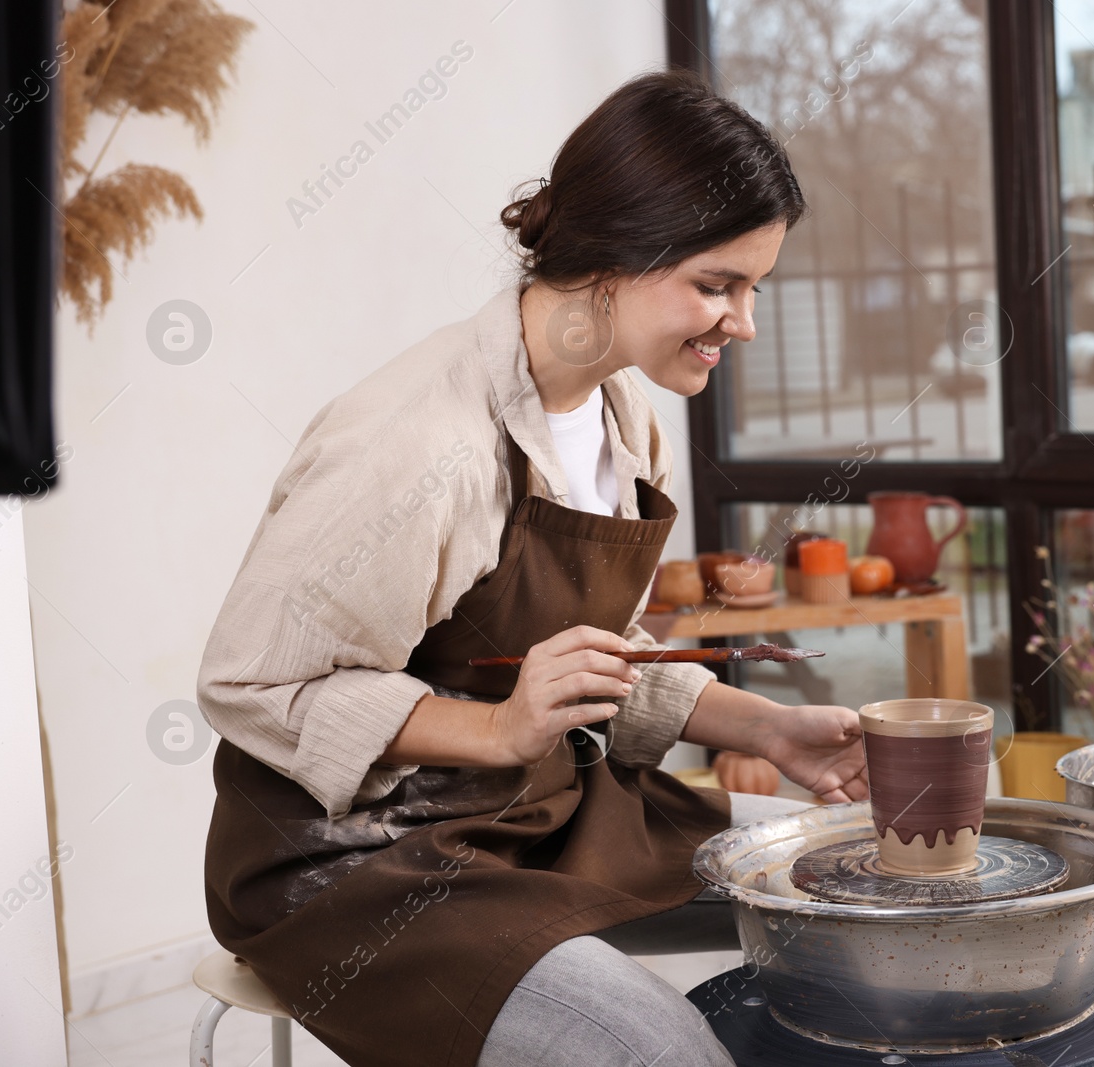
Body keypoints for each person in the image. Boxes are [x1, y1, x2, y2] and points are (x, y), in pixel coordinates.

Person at [197, 69, 869, 1067]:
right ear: (614, 252)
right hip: (355, 862)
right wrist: (502, 728)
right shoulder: (418, 446)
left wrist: (766, 726)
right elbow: (253, 683)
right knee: (665, 1051)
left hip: (536, 812)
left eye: (753, 287)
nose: (745, 322)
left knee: (861, 882)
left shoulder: (627, 416)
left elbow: (573, 667)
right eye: (717, 284)